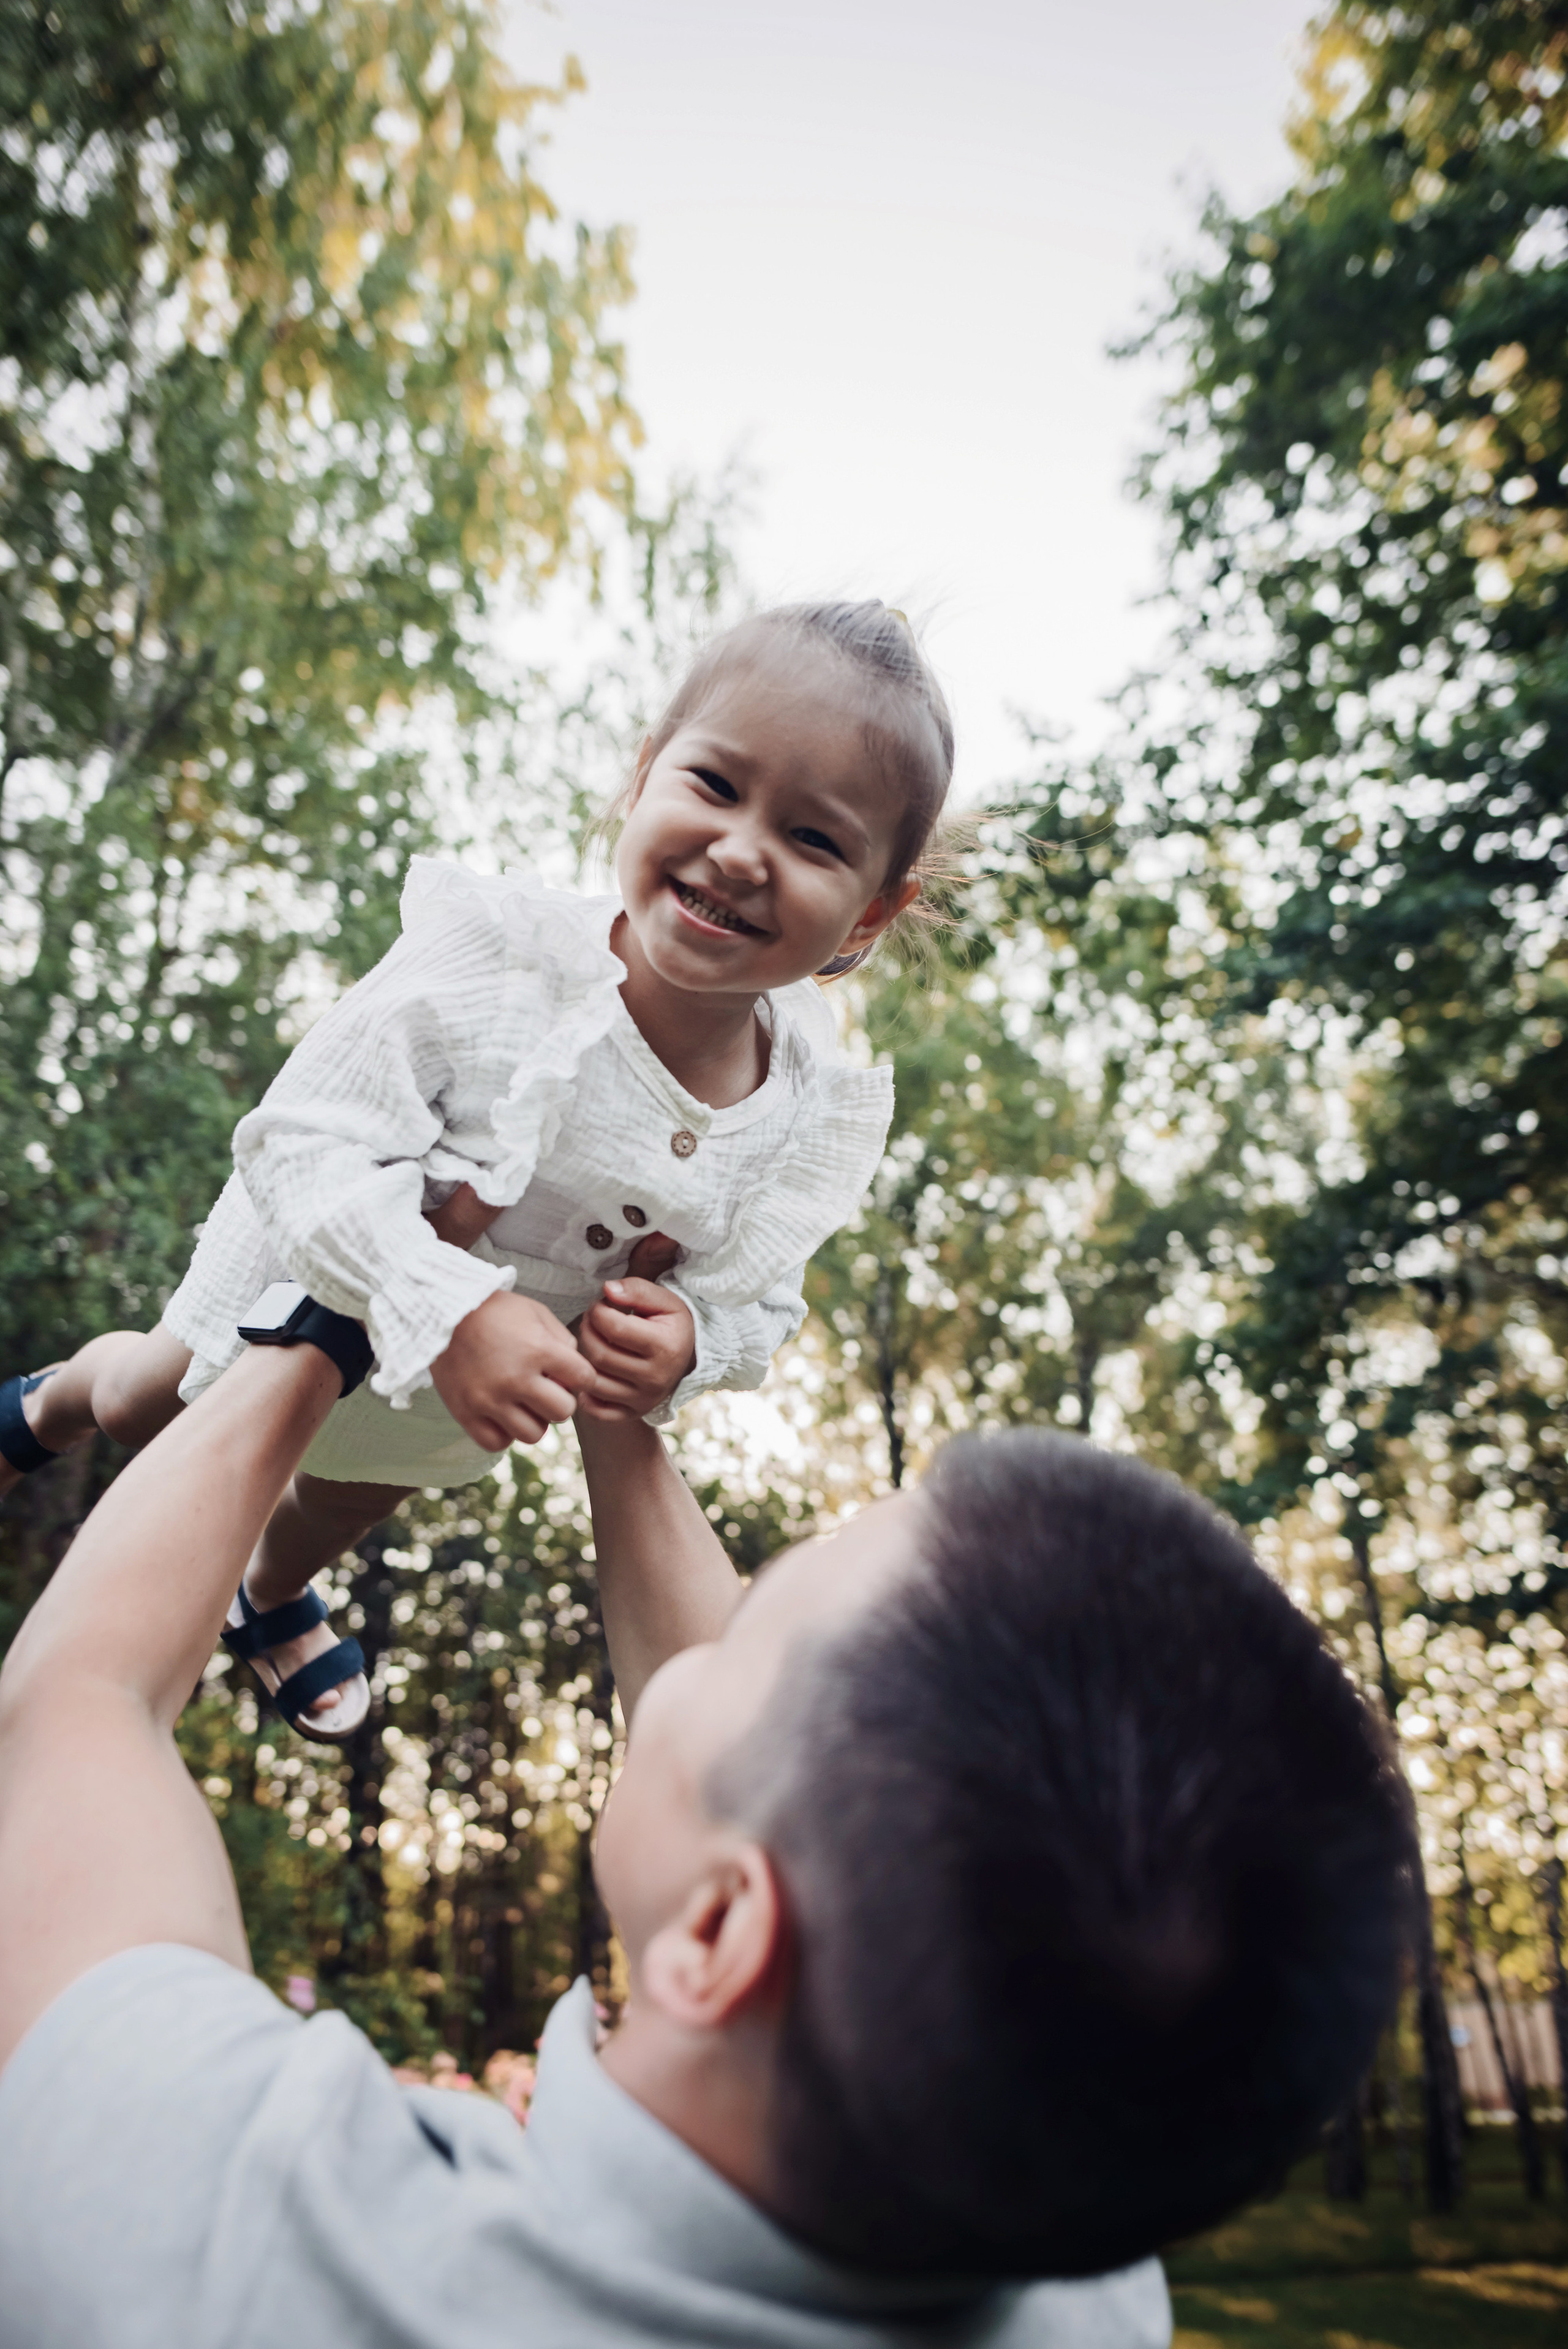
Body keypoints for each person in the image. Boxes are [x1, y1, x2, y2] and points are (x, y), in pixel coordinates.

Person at [0, 1299, 1415, 2345]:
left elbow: (78, 1706)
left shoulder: (278, 2257)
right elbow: (793, 1786)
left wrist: (319, 1316)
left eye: (749, 1641)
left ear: (725, 1932)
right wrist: (619, 1407)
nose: (695, 1657)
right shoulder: (1082, 2271)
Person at [0, 600, 950, 1738]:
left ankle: (270, 1593)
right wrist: (448, 1312)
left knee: (353, 1491)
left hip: (469, 1400)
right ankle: (46, 1400)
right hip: (306, 1282)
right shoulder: (499, 956)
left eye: (816, 839)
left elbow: (762, 1298)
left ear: (871, 913)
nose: (745, 849)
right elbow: (301, 1137)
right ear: (645, 775)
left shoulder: (809, 1110)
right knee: (152, 1399)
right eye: (715, 785)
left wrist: (692, 1342)